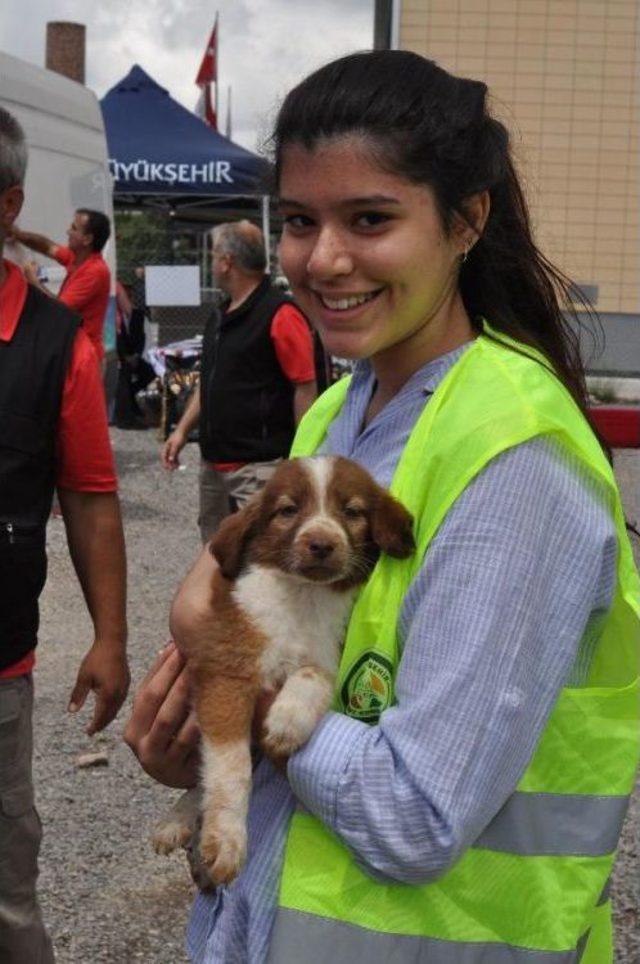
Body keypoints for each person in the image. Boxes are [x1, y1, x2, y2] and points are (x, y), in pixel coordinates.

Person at [125, 51, 639, 963]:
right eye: (298, 222)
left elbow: (417, 814)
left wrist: (246, 689)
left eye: (370, 219)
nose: (322, 259)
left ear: (467, 219)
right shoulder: (340, 411)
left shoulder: (514, 458)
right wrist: (211, 729)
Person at [0, 108, 129, 961]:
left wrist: (112, 636)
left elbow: (89, 497)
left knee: (6, 886)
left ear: (7, 205)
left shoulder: (56, 346)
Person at [161, 220, 317, 542]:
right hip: (214, 465)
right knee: (216, 552)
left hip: (258, 469)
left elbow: (305, 385)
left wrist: (303, 455)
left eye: (214, 254)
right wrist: (181, 430)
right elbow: (210, 383)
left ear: (227, 261)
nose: (212, 263)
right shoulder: (220, 315)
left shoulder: (280, 314)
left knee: (262, 554)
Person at [10, 207, 112, 364]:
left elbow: (58, 310)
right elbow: (46, 246)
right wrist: (18, 235)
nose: (68, 231)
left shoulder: (95, 271)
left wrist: (32, 281)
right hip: (73, 352)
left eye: (74, 228)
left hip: (85, 359)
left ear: (87, 239)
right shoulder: (77, 258)